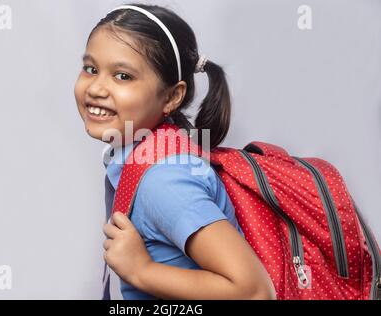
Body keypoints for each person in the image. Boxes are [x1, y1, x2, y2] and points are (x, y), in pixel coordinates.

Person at [74, 3, 276, 300]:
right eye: (91, 69)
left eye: (123, 76)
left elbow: (254, 292)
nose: (96, 88)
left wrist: (142, 270)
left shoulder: (165, 181)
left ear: (171, 97)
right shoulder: (145, 152)